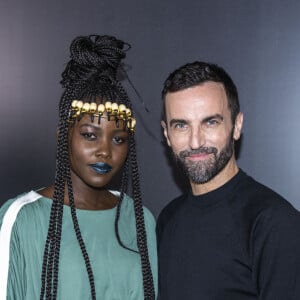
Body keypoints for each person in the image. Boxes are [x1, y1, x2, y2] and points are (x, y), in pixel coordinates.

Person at [0, 35, 157, 300]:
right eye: (90, 134)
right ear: (63, 136)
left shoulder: (140, 220)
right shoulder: (22, 218)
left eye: (118, 139)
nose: (105, 150)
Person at [156, 61, 300, 300]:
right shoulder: (168, 218)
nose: (195, 141)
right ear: (167, 135)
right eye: (181, 125)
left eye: (210, 122)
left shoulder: (275, 223)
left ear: (236, 125)